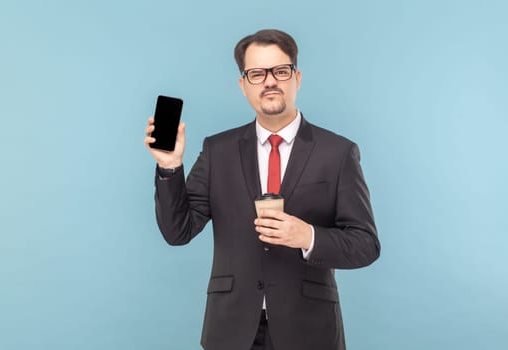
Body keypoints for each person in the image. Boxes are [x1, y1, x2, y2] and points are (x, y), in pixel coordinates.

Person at [144, 29, 380, 350]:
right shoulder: (218, 151)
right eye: (257, 74)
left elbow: (366, 244)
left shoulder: (338, 152)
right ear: (243, 86)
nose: (270, 81)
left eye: (280, 71)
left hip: (309, 330)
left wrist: (308, 236)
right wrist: (170, 166)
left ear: (296, 78)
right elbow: (177, 232)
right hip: (231, 330)